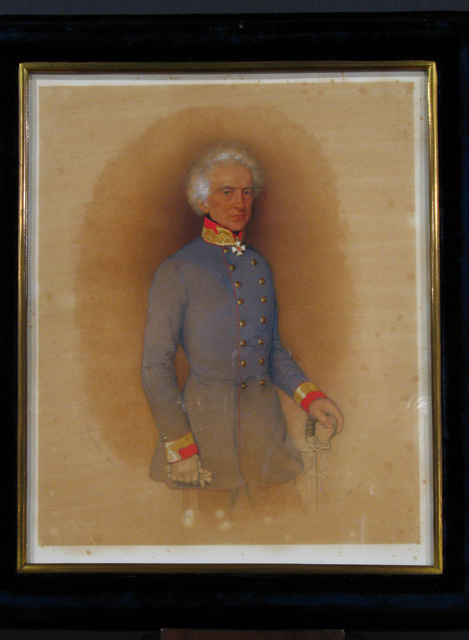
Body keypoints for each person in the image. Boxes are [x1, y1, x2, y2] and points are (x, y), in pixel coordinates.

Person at [141, 144, 343, 525]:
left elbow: (273, 351)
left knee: (291, 533)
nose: (240, 203)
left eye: (247, 192)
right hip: (206, 442)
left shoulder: (258, 265)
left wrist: (310, 398)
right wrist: (180, 447)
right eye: (227, 192)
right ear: (203, 200)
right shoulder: (177, 270)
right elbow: (155, 367)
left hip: (266, 438)